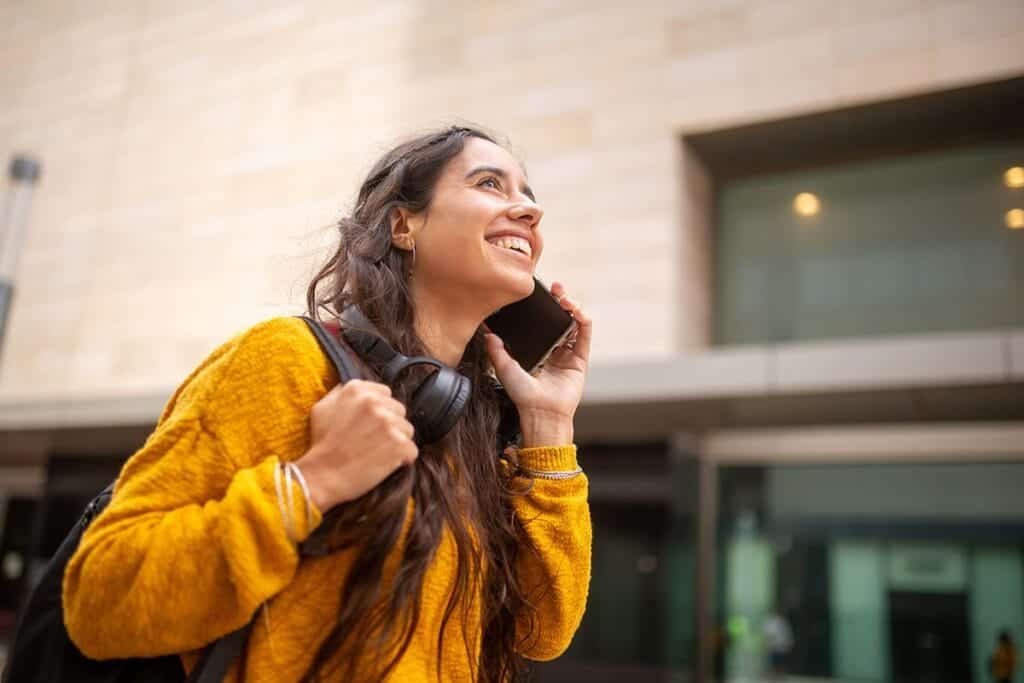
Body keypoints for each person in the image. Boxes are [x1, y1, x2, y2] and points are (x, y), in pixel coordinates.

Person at [61, 126, 593, 682]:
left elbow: (541, 632)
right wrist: (311, 482)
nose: (528, 211)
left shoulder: (469, 423)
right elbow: (102, 599)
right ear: (403, 224)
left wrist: (549, 423)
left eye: (529, 196)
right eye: (490, 183)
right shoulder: (286, 359)